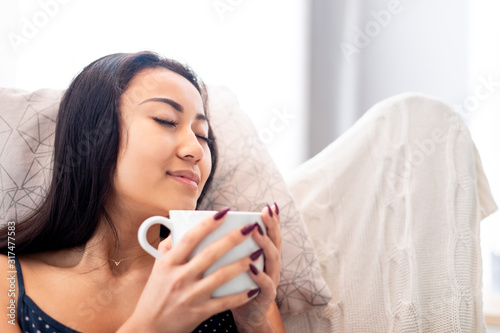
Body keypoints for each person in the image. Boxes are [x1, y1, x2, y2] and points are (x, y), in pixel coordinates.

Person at [0, 51, 285, 333]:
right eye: (166, 120)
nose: (196, 150)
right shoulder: (7, 280)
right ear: (95, 134)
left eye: (202, 135)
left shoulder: (231, 276)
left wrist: (254, 324)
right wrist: (153, 325)